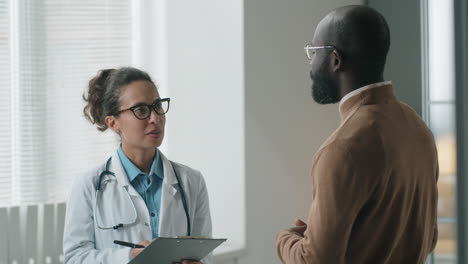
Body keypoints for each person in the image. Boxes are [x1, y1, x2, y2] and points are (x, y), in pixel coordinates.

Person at [276, 5, 438, 264]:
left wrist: (286, 238)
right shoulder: (418, 129)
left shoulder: (342, 149)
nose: (311, 64)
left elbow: (315, 261)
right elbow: (428, 238)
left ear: (335, 59)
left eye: (313, 52)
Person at [63, 67, 212, 264]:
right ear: (113, 123)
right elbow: (75, 258)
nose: (155, 118)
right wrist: (127, 258)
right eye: (141, 110)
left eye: (158, 106)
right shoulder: (88, 185)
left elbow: (204, 253)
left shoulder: (191, 181)